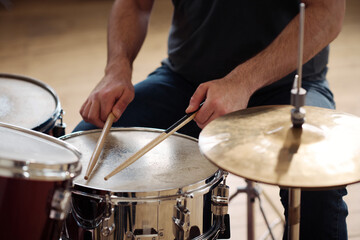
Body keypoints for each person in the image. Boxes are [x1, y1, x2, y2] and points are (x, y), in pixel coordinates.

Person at [74, 0, 347, 239]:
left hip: (290, 84)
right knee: (79, 160)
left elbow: (328, 11)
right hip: (186, 82)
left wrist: (241, 82)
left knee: (319, 183)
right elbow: (136, 3)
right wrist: (117, 67)